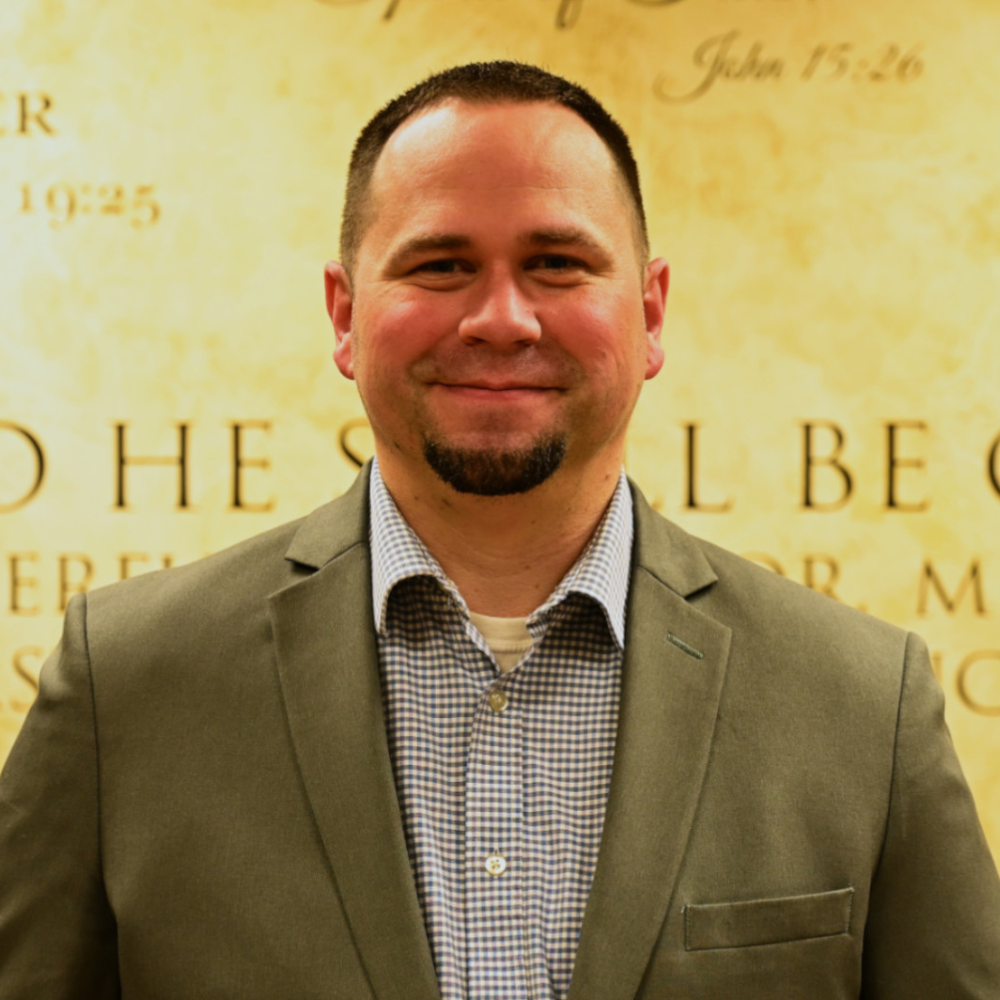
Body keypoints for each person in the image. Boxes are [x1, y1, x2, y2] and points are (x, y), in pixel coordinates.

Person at [0, 61, 998, 1000]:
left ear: (650, 313)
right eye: (439, 264)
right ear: (343, 315)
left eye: (557, 262)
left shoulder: (864, 707)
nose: (501, 317)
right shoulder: (123, 690)